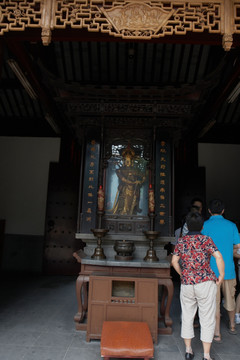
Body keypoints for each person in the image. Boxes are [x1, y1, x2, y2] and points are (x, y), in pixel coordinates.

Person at [172, 211, 224, 360]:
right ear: (202, 227)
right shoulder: (207, 240)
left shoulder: (181, 242)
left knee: (187, 316)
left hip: (188, 283)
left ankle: (188, 351)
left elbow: (174, 262)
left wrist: (182, 274)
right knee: (207, 317)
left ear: (187, 226)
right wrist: (221, 275)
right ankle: (206, 355)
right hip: (205, 282)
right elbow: (218, 256)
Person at [202, 199, 240, 342]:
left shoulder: (204, 225)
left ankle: (216, 333)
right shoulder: (231, 226)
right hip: (228, 270)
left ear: (209, 211)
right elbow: (238, 244)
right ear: (223, 211)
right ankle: (232, 326)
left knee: (214, 303)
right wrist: (231, 248)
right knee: (230, 299)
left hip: (210, 272)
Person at [110, 145, 146, 215]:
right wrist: (131, 182)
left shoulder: (136, 170)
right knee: (124, 202)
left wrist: (139, 181)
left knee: (132, 203)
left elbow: (143, 177)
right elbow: (122, 179)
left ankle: (132, 213)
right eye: (126, 160)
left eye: (129, 160)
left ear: (132, 160)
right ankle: (123, 212)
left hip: (134, 190)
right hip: (125, 189)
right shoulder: (120, 170)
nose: (127, 162)